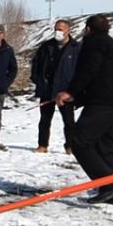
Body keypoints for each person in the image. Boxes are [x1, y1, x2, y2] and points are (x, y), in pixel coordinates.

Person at [56, 14, 113, 205]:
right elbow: (102, 76)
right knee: (104, 149)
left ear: (88, 29)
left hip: (102, 104)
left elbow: (89, 70)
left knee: (79, 142)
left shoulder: (94, 44)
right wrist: (77, 97)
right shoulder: (111, 44)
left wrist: (70, 91)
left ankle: (110, 187)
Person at [32, 19, 77, 154]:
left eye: (61, 29)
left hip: (65, 91)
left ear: (68, 31)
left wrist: (74, 89)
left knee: (69, 121)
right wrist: (38, 80)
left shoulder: (76, 48)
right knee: (45, 120)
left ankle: (70, 146)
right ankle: (42, 145)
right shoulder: (47, 46)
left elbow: (81, 70)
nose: (58, 32)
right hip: (47, 89)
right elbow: (36, 64)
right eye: (56, 29)